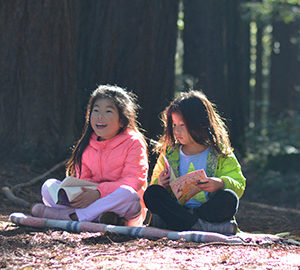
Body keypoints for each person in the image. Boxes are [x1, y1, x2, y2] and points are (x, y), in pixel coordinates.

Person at [31, 85, 148, 227]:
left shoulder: (133, 142)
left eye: (108, 111)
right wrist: (78, 194)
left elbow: (133, 181)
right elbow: (83, 180)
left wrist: (99, 193)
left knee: (128, 194)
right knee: (48, 186)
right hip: (90, 202)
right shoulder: (87, 143)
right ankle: (97, 218)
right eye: (96, 110)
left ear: (122, 120)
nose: (100, 116)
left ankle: (72, 217)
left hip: (122, 205)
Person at [143, 90, 246, 234]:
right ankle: (198, 226)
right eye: (174, 125)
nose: (177, 131)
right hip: (177, 209)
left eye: (183, 125)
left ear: (200, 123)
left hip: (207, 211)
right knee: (152, 193)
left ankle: (185, 223)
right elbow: (155, 183)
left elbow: (239, 184)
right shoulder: (169, 153)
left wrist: (220, 183)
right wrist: (160, 183)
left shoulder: (220, 152)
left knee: (229, 198)